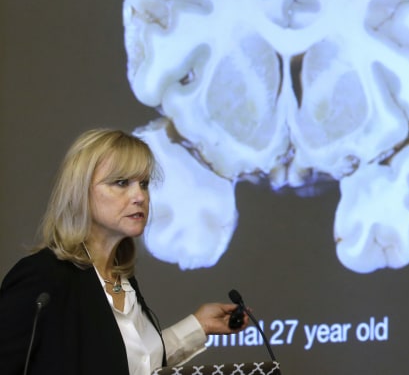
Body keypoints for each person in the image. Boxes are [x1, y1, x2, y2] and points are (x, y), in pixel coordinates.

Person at [0, 129, 247, 375]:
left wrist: (198, 326)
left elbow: (133, 364)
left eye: (144, 184)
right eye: (121, 183)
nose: (140, 196)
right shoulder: (42, 278)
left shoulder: (122, 280)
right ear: (80, 192)